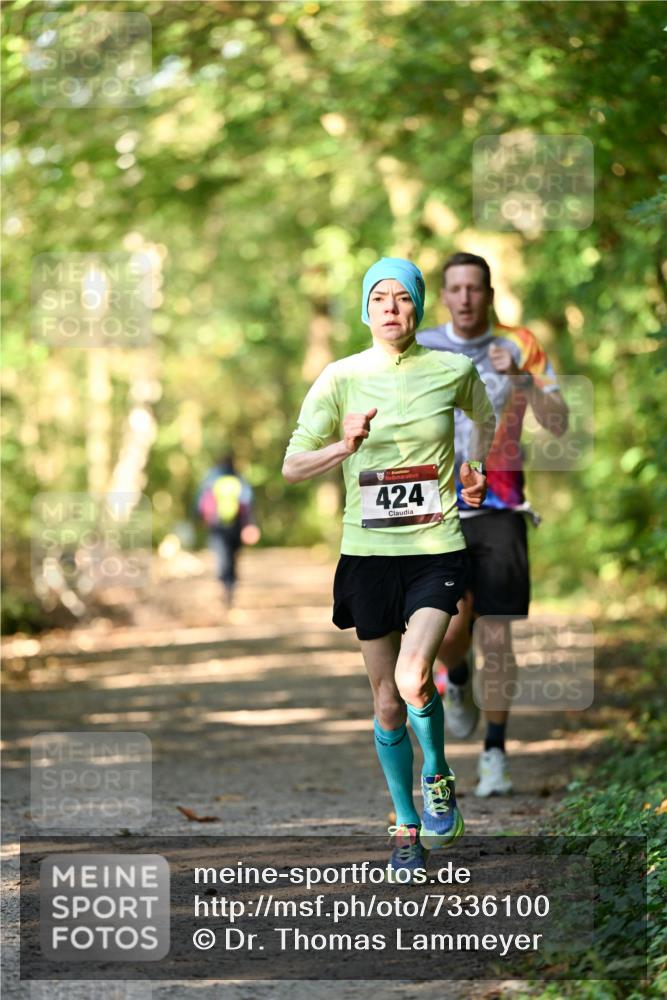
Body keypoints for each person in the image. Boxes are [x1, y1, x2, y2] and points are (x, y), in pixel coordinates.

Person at [282, 258, 495, 880]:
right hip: (368, 557)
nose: (392, 308)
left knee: (412, 676)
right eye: (380, 298)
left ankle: (438, 776)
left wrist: (475, 469)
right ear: (365, 309)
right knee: (385, 702)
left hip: (435, 548)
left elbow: (484, 419)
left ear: (419, 307)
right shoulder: (340, 377)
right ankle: (405, 826)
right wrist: (343, 447)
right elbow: (292, 466)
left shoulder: (453, 370)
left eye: (403, 298)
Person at [417, 252, 568, 797]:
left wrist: (522, 380)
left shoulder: (520, 344)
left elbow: (559, 422)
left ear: (489, 294)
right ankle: (456, 677)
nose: (465, 298)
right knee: (450, 628)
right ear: (443, 296)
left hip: (502, 507)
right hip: (437, 506)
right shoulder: (421, 345)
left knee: (497, 632)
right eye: (455, 288)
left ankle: (495, 754)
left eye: (474, 288)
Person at [196, 453, 260, 609]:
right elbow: (248, 503)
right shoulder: (239, 479)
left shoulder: (210, 479)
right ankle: (231, 586)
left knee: (221, 557)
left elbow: (199, 503)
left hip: (216, 525)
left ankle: (223, 585)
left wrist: (199, 519)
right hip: (236, 525)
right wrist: (250, 524)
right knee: (233, 557)